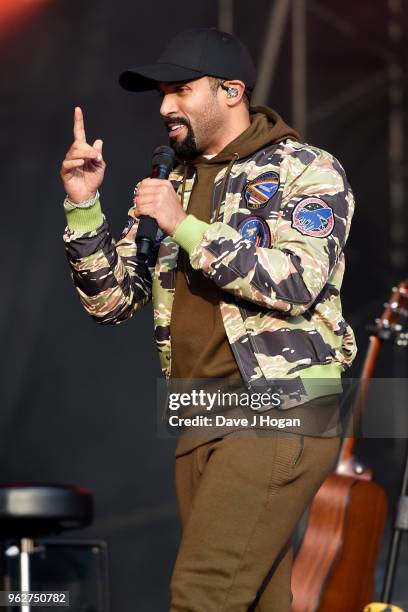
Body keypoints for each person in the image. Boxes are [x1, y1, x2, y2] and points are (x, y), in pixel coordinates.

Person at [60, 27, 357, 612]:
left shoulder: (306, 168)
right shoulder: (171, 180)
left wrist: (185, 226)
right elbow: (112, 300)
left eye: (180, 90)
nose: (165, 106)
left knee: (202, 595)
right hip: (202, 411)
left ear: (230, 91)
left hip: (283, 403)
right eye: (161, 94)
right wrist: (83, 203)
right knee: (253, 601)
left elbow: (298, 280)